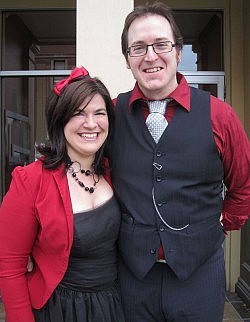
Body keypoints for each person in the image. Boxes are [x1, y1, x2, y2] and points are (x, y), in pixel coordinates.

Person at [107, 2, 250, 322]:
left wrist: (223, 224)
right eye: (138, 47)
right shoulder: (112, 115)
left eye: (160, 44)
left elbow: (243, 185)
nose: (150, 55)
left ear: (178, 50)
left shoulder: (219, 114)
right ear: (128, 58)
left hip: (199, 276)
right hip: (133, 277)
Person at [0, 67, 125, 322]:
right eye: (79, 114)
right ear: (60, 120)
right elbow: (9, 266)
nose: (91, 124)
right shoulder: (31, 180)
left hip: (114, 305)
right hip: (60, 310)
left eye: (99, 113)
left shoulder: (117, 171)